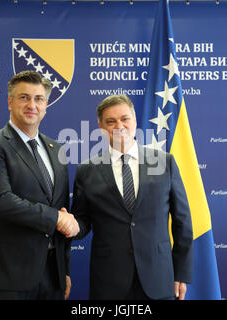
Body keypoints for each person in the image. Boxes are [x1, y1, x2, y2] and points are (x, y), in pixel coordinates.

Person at [71, 94, 193, 300]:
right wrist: (69, 224)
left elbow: (183, 221)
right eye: (111, 121)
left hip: (159, 277)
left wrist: (181, 272)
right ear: (101, 126)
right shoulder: (86, 170)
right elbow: (82, 221)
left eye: (125, 118)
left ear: (135, 121)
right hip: (109, 281)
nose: (119, 125)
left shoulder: (165, 163)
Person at [0, 70, 79, 300]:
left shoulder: (56, 149)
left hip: (52, 276)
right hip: (6, 277)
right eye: (24, 97)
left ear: (46, 105)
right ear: (10, 102)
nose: (32, 104)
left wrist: (64, 271)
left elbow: (62, 209)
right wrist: (56, 218)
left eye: (38, 98)